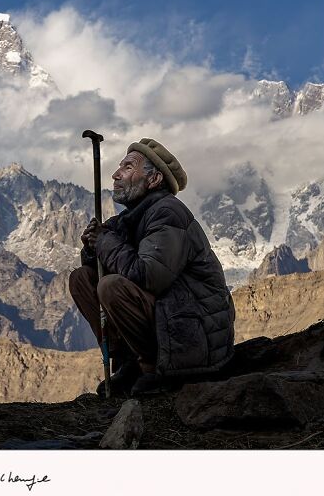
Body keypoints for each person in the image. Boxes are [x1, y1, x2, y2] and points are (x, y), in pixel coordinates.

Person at [69, 138, 235, 396]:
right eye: (119, 167)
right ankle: (128, 362)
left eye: (127, 167)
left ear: (154, 179)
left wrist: (106, 241)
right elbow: (112, 265)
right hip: (168, 318)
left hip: (192, 330)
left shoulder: (168, 213)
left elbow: (148, 276)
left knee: (111, 287)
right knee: (82, 279)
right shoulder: (131, 218)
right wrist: (94, 248)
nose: (115, 175)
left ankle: (153, 369)